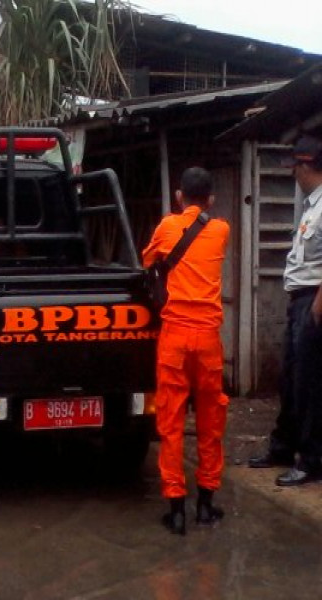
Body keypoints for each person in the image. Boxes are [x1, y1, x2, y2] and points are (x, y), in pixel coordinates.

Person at [142, 167, 230, 535]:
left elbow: (148, 261)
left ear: (179, 196)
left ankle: (176, 509)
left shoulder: (167, 227)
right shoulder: (222, 230)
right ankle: (206, 506)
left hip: (175, 337)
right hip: (208, 338)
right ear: (210, 199)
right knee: (210, 421)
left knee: (171, 422)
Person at [248, 135, 322, 486]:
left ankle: (310, 459)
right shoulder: (311, 206)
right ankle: (283, 447)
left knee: (309, 385)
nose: (292, 173)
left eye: (294, 167)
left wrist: (318, 306)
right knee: (290, 379)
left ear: (306, 166)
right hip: (299, 300)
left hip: (315, 300)